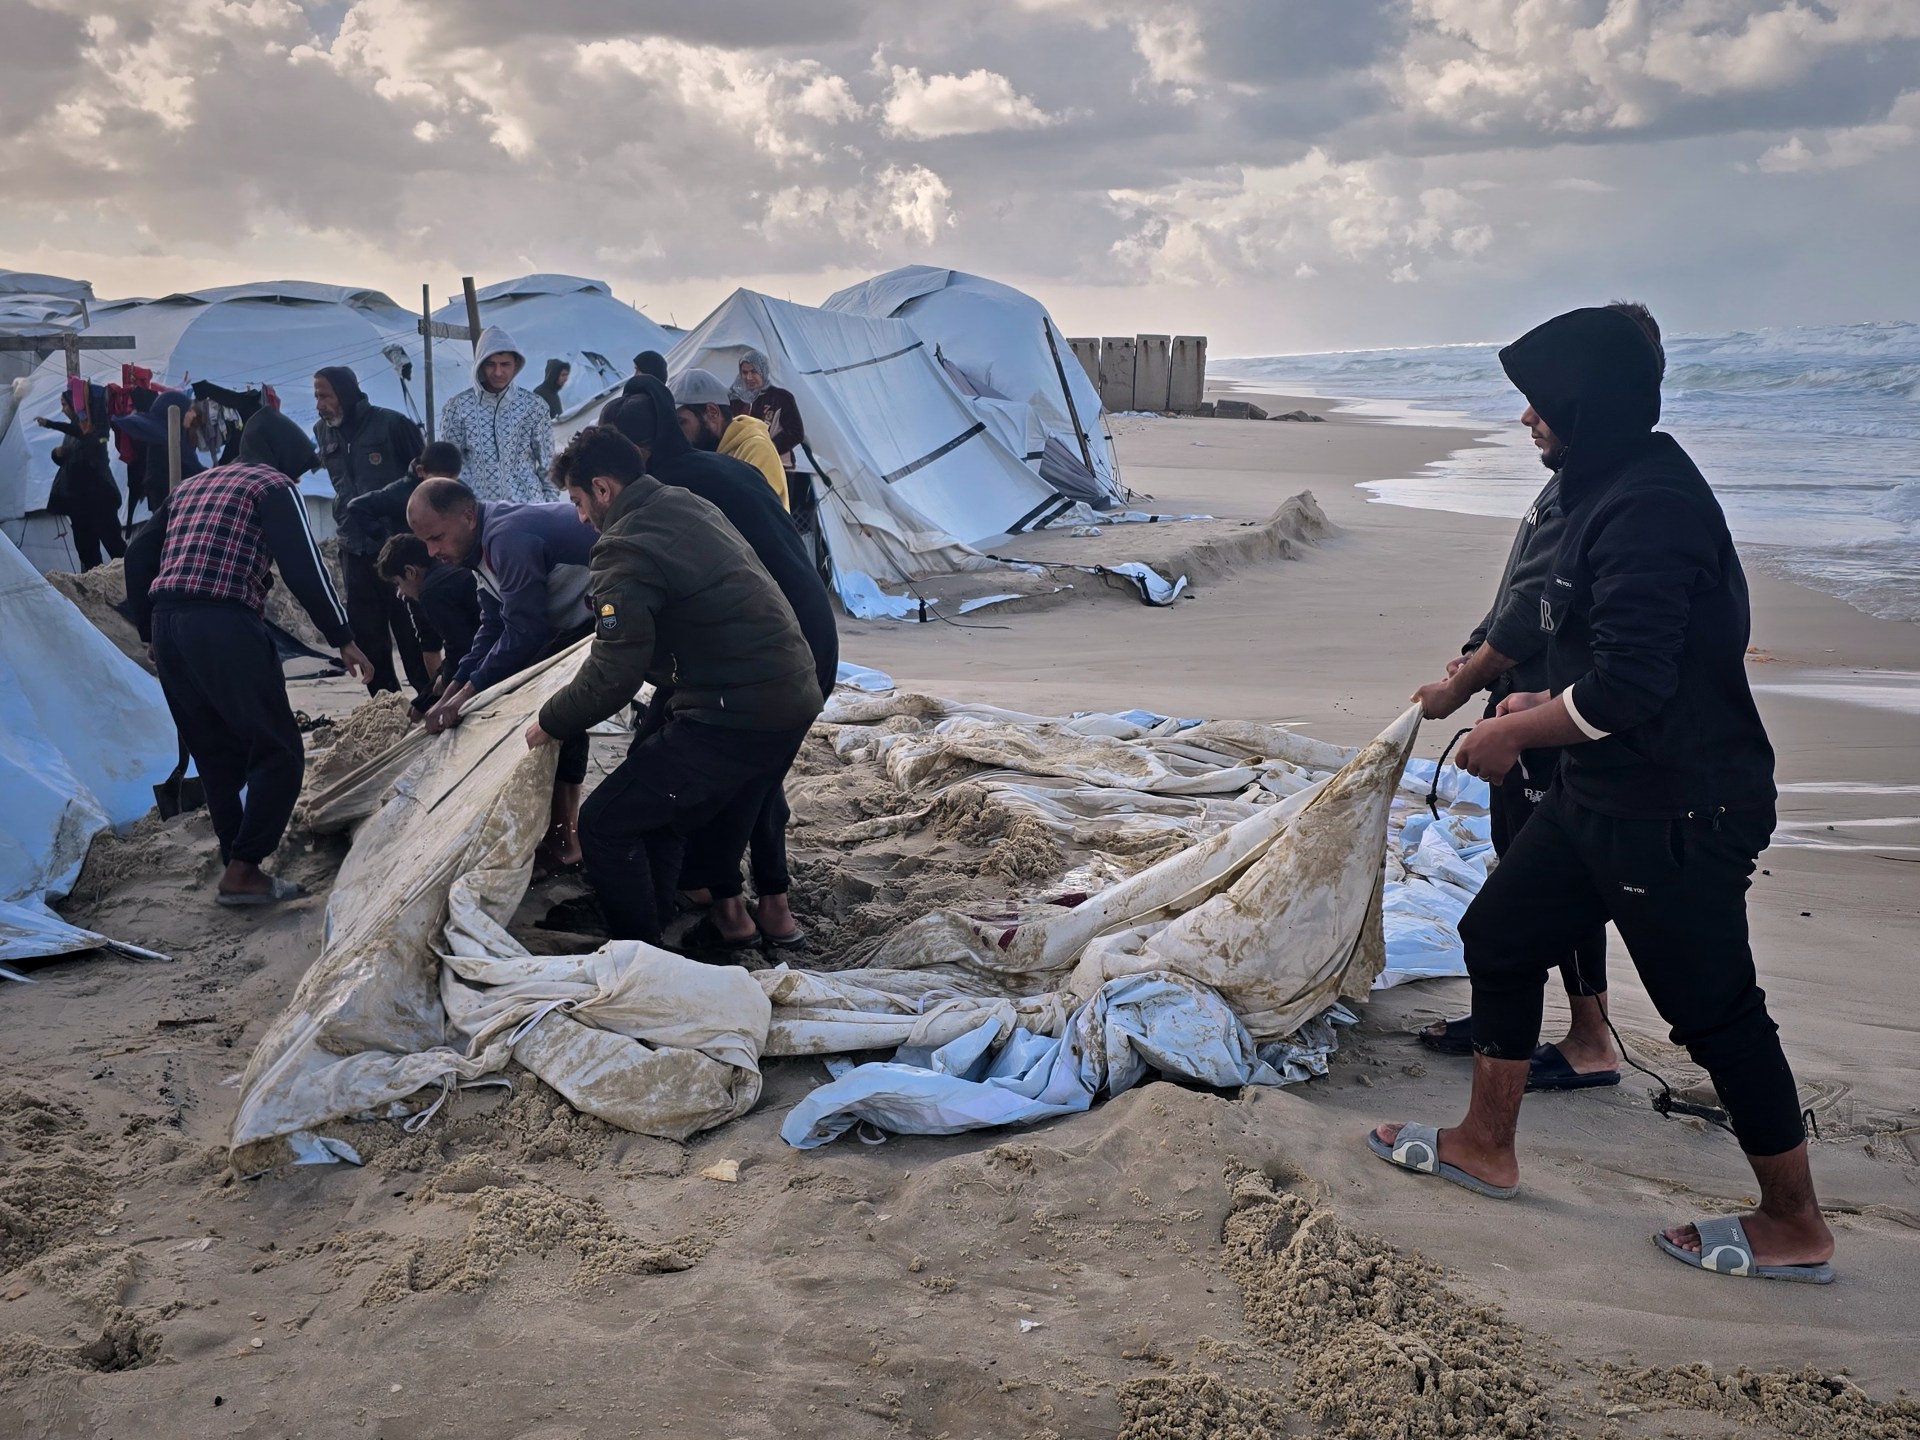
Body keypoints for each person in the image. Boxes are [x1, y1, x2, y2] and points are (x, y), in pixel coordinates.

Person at [1369, 305, 1834, 1285]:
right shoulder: (1599, 484)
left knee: (1714, 1014)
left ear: (1589, 402)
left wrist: (1511, 731)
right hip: (1604, 793)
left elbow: (1632, 686)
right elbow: (1581, 638)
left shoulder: (1652, 505)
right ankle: (1485, 1145)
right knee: (1501, 935)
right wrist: (1530, 699)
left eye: (1540, 399)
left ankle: (1795, 1224)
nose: (1526, 417)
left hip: (1681, 809)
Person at [1407, 302, 1667, 1090]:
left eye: (1543, 399)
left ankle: (1590, 1039)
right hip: (1523, 700)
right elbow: (1518, 589)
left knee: (1555, 878)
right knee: (1517, 864)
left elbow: (1530, 615)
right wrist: (1471, 654)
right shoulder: (1570, 483)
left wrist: (1462, 685)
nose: (1527, 415)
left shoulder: (1602, 495)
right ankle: (1505, 1020)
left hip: (1551, 715)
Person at [531, 425, 823, 949]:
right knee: (656, 799)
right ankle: (661, 910)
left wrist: (548, 722)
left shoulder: (622, 546)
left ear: (602, 489)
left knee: (604, 823)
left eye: (577, 502)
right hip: (793, 688)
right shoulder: (682, 503)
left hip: (737, 708)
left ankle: (639, 951)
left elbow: (615, 673)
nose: (579, 518)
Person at [605, 375, 840, 951]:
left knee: (714, 771)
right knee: (758, 775)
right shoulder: (727, 467)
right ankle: (771, 906)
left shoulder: (664, 491)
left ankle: (727, 907)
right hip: (813, 634)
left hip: (769, 649)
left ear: (634, 451)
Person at [126, 405, 371, 907]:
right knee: (278, 749)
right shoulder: (272, 485)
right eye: (297, 470)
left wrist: (148, 628)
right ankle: (245, 868)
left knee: (215, 753)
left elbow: (137, 554)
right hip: (224, 622)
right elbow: (304, 567)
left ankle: (235, 864)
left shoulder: (190, 486)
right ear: (282, 457)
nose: (297, 479)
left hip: (169, 623)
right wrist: (342, 636)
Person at [407, 477, 596, 869]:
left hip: (599, 611)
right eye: (425, 542)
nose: (432, 552)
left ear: (468, 516)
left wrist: (466, 695)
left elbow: (526, 631)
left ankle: (566, 837)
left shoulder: (506, 539)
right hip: (565, 620)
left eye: (437, 538)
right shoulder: (477, 550)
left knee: (558, 712)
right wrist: (449, 694)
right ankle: (557, 830)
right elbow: (492, 625)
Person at [313, 365, 432, 701]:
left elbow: (425, 478)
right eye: (316, 397)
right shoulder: (322, 432)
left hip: (397, 545)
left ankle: (430, 700)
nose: (319, 404)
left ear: (345, 394)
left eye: (325, 396)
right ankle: (387, 706)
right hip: (353, 546)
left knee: (411, 628)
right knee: (367, 634)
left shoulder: (393, 424)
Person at [437, 326, 553, 506]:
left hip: (527, 508)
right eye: (491, 364)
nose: (498, 372)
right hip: (477, 510)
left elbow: (549, 464)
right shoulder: (458, 408)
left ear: (516, 364)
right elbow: (448, 467)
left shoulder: (534, 406)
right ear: (480, 365)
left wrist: (551, 508)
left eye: (505, 364)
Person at [376, 531, 480, 700]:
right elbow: (438, 643)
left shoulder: (431, 591)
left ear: (410, 572)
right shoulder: (446, 572)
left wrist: (444, 684)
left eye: (397, 584)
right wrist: (426, 697)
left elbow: (460, 647)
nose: (399, 593)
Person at [39, 381, 126, 570]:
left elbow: (88, 448)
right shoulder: (73, 431)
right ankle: (95, 583)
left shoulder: (92, 428)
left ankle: (127, 581)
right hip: (78, 501)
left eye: (65, 405)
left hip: (98, 498)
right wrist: (57, 454)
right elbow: (71, 460)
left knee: (114, 544)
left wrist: (49, 424)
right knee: (87, 550)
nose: (63, 409)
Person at [673, 367, 788, 508]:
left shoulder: (756, 450)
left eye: (681, 422)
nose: (677, 432)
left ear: (712, 412)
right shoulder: (711, 451)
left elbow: (754, 513)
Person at [111, 389, 205, 513]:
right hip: (165, 495)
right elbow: (191, 467)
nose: (193, 415)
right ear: (179, 412)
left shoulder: (179, 436)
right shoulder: (163, 439)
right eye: (189, 410)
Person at [729, 348, 806, 497]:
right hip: (745, 466)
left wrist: (767, 449)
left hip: (778, 467)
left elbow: (796, 433)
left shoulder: (781, 398)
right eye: (744, 372)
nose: (749, 377)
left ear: (763, 371)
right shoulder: (735, 399)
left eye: (754, 372)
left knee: (777, 509)